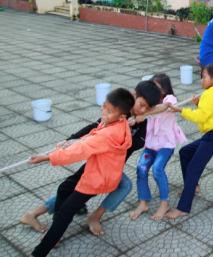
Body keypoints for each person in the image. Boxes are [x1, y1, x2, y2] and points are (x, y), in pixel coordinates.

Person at [19, 81, 161, 236]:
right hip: (99, 164)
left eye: (147, 108)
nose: (142, 109)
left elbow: (138, 143)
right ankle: (55, 221)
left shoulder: (140, 120)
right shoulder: (117, 113)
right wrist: (70, 140)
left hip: (109, 167)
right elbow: (93, 128)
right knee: (81, 189)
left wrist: (141, 118)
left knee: (77, 190)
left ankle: (39, 216)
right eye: (141, 105)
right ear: (133, 95)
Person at [27, 88, 135, 257]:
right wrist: (73, 140)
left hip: (98, 178)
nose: (104, 112)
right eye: (104, 107)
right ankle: (55, 234)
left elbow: (80, 150)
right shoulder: (116, 122)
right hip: (98, 168)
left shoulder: (108, 134)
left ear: (122, 117)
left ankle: (39, 252)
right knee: (64, 188)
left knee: (65, 212)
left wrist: (48, 157)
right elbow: (92, 134)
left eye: (109, 111)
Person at [164, 63, 213, 219]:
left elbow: (201, 116)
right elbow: (210, 110)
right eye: (201, 76)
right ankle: (193, 186)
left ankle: (183, 208)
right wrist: (198, 103)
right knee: (185, 152)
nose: (201, 80)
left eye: (204, 77)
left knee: (194, 168)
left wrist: (180, 110)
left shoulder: (210, 94)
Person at [129, 74, 187, 221]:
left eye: (158, 88)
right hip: (150, 143)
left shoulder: (170, 100)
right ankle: (143, 202)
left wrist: (144, 112)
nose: (154, 91)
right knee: (141, 168)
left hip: (166, 144)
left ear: (165, 89)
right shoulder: (148, 103)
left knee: (157, 169)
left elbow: (164, 108)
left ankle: (164, 203)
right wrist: (137, 115)